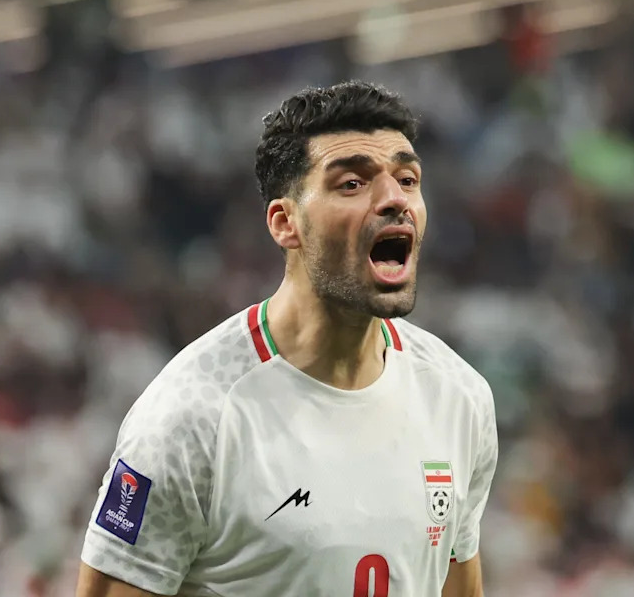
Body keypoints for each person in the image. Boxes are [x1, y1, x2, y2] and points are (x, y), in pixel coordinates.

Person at [75, 81, 498, 596]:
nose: (394, 199)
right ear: (285, 222)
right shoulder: (192, 417)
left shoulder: (460, 397)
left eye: (407, 179)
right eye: (352, 184)